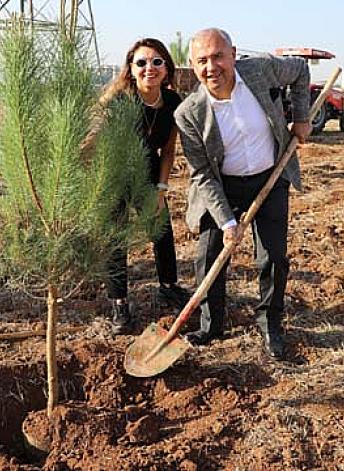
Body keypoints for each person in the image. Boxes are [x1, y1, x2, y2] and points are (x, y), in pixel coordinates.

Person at [173, 28, 311, 359]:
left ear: (233, 54)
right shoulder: (188, 113)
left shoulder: (260, 71)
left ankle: (269, 324)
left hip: (270, 177)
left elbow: (302, 71)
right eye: (202, 61)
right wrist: (226, 222)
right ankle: (211, 324)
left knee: (274, 257)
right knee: (208, 258)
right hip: (222, 186)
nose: (211, 67)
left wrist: (302, 117)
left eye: (218, 56)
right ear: (193, 66)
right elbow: (203, 173)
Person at [98, 38, 191, 335]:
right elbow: (94, 140)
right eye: (141, 63)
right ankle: (120, 305)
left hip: (149, 171)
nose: (149, 68)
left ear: (166, 68)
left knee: (161, 230)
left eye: (156, 62)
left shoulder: (174, 103)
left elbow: (168, 150)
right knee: (116, 239)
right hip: (115, 174)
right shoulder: (119, 100)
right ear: (131, 68)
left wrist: (161, 189)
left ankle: (168, 287)